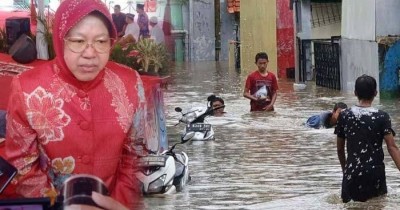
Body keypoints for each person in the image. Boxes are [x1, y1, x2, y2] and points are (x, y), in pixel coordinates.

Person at [2, 0, 145, 209]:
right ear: (61, 40)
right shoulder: (27, 88)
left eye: (101, 41)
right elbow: (22, 165)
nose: (90, 53)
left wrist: (115, 204)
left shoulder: (130, 83)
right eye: (78, 42)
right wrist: (60, 205)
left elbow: (137, 156)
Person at [336, 75, 400, 203]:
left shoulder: (344, 116)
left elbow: (340, 149)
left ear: (355, 93)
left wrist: (346, 170)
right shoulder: (382, 117)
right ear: (375, 93)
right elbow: (392, 147)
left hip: (352, 174)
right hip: (374, 175)